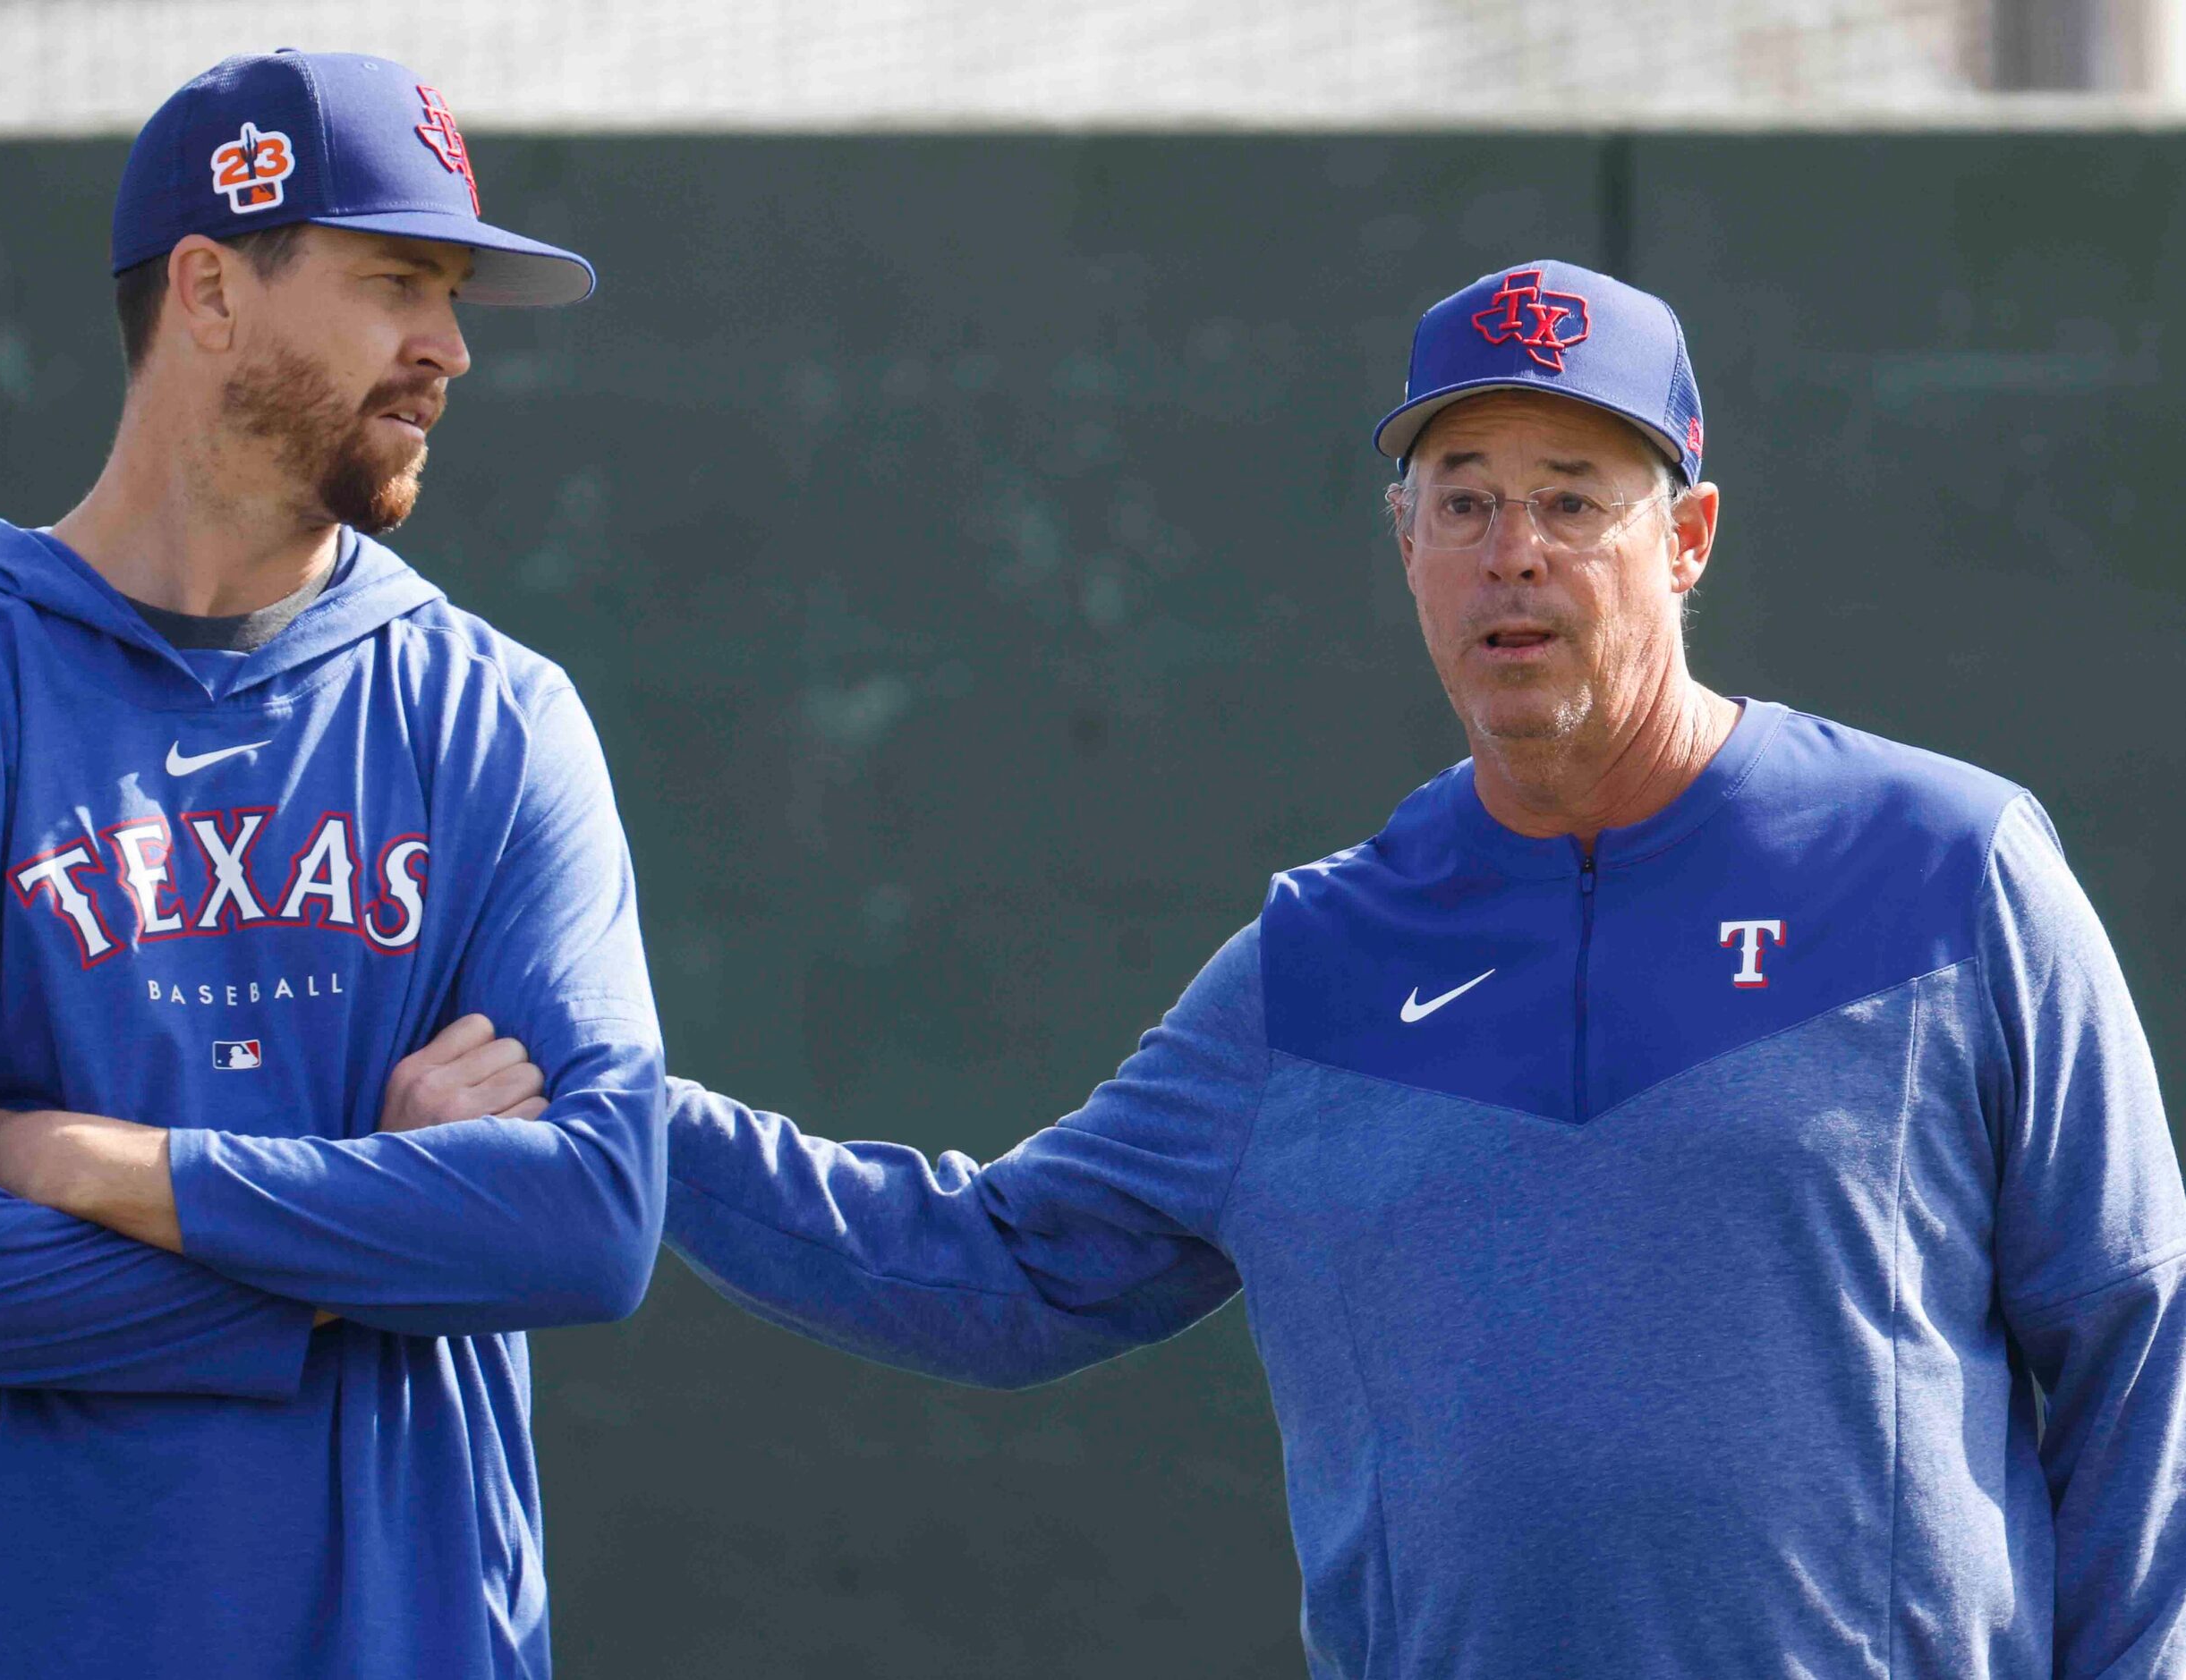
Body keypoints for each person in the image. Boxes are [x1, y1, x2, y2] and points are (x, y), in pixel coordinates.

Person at [643, 261, 2186, 1675]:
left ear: (1688, 539)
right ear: (1405, 548)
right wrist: (615, 1122)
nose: (1511, 553)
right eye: (1461, 503)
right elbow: (990, 1267)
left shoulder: (1945, 866)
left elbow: (2134, 1342)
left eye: (1572, 499)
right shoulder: (1314, 963)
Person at [0, 50, 661, 1677]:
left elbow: (586, 1220)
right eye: (396, 279)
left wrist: (103, 1166)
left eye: (451, 295)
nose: (446, 348)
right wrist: (356, 1250)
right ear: (208, 289)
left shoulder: (500, 722)